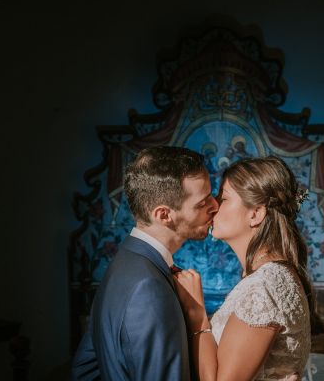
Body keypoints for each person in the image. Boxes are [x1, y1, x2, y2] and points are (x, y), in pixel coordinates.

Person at [72, 146, 219, 380]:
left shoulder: (125, 262)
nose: (215, 206)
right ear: (163, 215)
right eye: (202, 203)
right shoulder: (148, 289)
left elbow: (85, 371)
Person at [174, 156, 319, 381]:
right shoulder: (270, 278)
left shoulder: (266, 286)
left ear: (256, 214)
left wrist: (197, 314)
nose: (212, 205)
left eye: (223, 198)